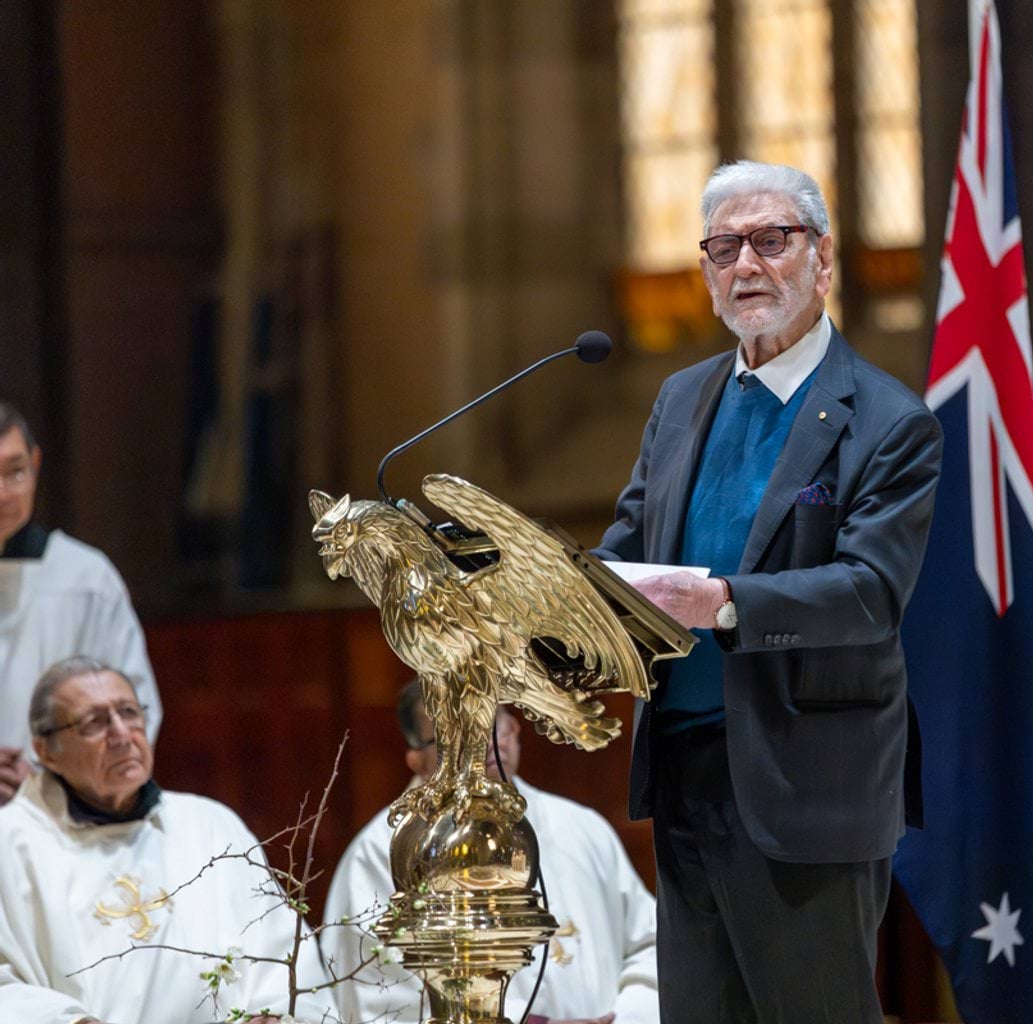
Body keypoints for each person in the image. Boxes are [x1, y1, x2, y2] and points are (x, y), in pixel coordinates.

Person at [593, 160, 942, 1023]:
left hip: (804, 782)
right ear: (706, 272)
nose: (747, 264)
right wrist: (560, 604)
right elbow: (627, 547)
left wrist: (724, 603)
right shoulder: (681, 401)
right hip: (684, 772)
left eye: (772, 241)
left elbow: (869, 593)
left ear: (821, 260)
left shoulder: (888, 420)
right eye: (724, 247)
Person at [0, 656, 331, 1023]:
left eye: (128, 712)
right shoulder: (11, 844)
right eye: (94, 722)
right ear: (46, 750)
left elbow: (280, 943)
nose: (122, 734)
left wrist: (272, 1011)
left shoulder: (210, 825)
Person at [321, 680, 658, 1024]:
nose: (481, 745)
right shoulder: (385, 851)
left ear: (513, 727)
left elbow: (650, 947)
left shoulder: (582, 827)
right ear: (416, 759)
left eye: (490, 723)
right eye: (453, 735)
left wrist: (626, 1017)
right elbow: (382, 992)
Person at [0, 402, 159, 804]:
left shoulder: (84, 577)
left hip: (63, 815)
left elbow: (134, 707)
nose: (3, 494)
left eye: (14, 472)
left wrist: (49, 779)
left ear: (35, 464)